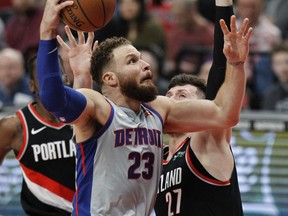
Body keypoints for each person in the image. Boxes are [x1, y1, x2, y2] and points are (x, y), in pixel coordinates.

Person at [36, 0, 252, 215]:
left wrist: (236, 64)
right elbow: (54, 99)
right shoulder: (99, 108)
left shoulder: (158, 109)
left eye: (141, 59)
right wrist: (47, 30)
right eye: (132, 61)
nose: (145, 64)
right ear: (110, 78)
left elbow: (225, 113)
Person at [154, 1, 244, 215]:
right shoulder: (157, 157)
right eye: (168, 95)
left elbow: (218, 76)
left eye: (182, 95)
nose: (170, 100)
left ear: (202, 107)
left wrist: (223, 4)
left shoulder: (205, 140)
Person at [0, 30, 96, 215]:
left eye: (54, 73)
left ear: (66, 78)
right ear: (31, 85)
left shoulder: (86, 114)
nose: (49, 79)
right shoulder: (15, 126)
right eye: (42, 75)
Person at [262, 42, 288, 111]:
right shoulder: (271, 94)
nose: (283, 68)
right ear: (272, 67)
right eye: (278, 63)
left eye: (287, 62)